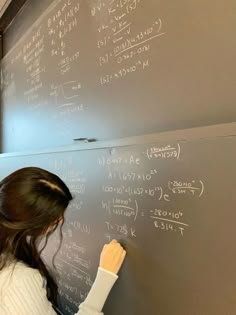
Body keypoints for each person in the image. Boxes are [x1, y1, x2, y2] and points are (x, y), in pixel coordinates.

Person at [0, 167, 126, 315]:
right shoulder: (17, 281)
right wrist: (105, 276)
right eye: (55, 218)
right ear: (31, 223)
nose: (60, 222)